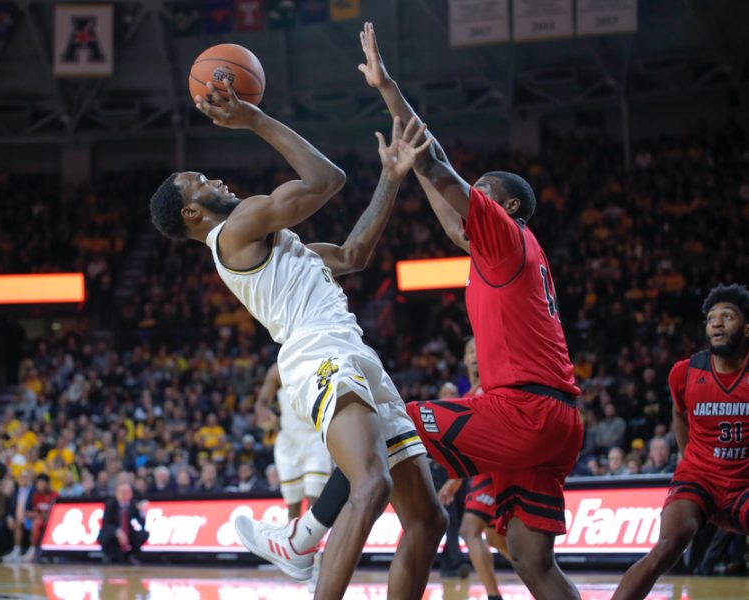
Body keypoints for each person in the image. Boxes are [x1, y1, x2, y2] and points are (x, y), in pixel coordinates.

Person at [266, 23, 584, 599]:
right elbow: (443, 200)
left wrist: (389, 91)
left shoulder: (506, 232)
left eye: (479, 191)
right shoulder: (507, 253)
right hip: (558, 421)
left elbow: (439, 165)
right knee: (534, 562)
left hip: (525, 411)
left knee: (388, 423)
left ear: (506, 205)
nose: (469, 197)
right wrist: (406, 169)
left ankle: (304, 536)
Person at [149, 81, 446, 599]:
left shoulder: (279, 247)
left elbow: (354, 256)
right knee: (370, 484)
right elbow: (327, 179)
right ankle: (302, 543)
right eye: (200, 182)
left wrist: (391, 179)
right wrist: (254, 120)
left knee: (427, 519)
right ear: (192, 214)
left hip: (352, 350)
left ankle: (299, 538)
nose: (214, 177)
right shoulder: (235, 231)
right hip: (318, 354)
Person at [613, 284, 749, 599]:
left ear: (746, 328)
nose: (716, 323)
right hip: (699, 478)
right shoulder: (685, 372)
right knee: (668, 544)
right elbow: (679, 411)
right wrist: (686, 455)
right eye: (711, 318)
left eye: (727, 316)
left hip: (743, 483)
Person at [439, 338, 512, 599]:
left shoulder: (490, 388)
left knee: (469, 530)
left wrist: (456, 477)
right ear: (463, 357)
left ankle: (494, 596)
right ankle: (541, 576)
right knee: (496, 541)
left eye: (479, 351)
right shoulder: (469, 394)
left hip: (492, 472)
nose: (474, 356)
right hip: (481, 473)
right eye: (470, 351)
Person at [256, 363, 332, 520]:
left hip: (315, 438)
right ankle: (293, 540)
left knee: (315, 500)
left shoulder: (321, 361)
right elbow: (261, 402)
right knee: (293, 504)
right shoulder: (278, 369)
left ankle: (312, 542)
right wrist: (264, 412)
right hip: (289, 441)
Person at [98, 482, 148, 565]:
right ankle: (109, 556)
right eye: (122, 492)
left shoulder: (134, 504)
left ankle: (132, 555)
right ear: (117, 494)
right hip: (114, 534)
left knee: (143, 534)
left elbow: (141, 525)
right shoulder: (110, 504)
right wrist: (117, 531)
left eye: (127, 492)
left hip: (128, 534)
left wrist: (142, 513)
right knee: (104, 536)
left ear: (131, 493)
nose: (125, 495)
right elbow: (106, 524)